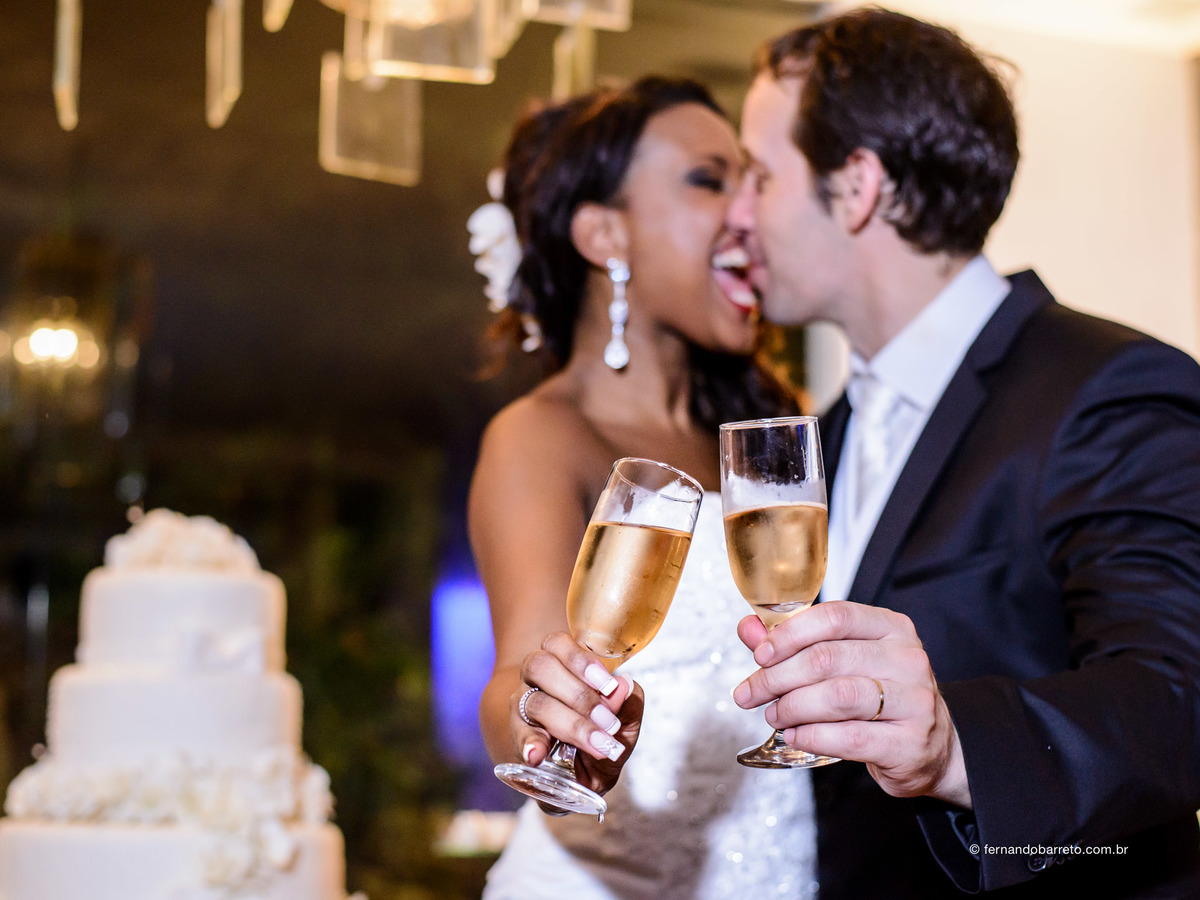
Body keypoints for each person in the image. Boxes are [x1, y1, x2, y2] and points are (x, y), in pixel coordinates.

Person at [721, 7, 1200, 898]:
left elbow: (1179, 700)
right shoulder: (822, 435)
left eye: (757, 174)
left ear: (857, 185)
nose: (735, 215)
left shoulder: (1109, 385)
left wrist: (950, 742)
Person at [469, 77, 818, 899]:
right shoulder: (540, 436)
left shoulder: (770, 432)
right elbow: (518, 666)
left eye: (751, 182)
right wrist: (547, 719)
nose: (748, 212)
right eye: (709, 179)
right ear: (603, 233)